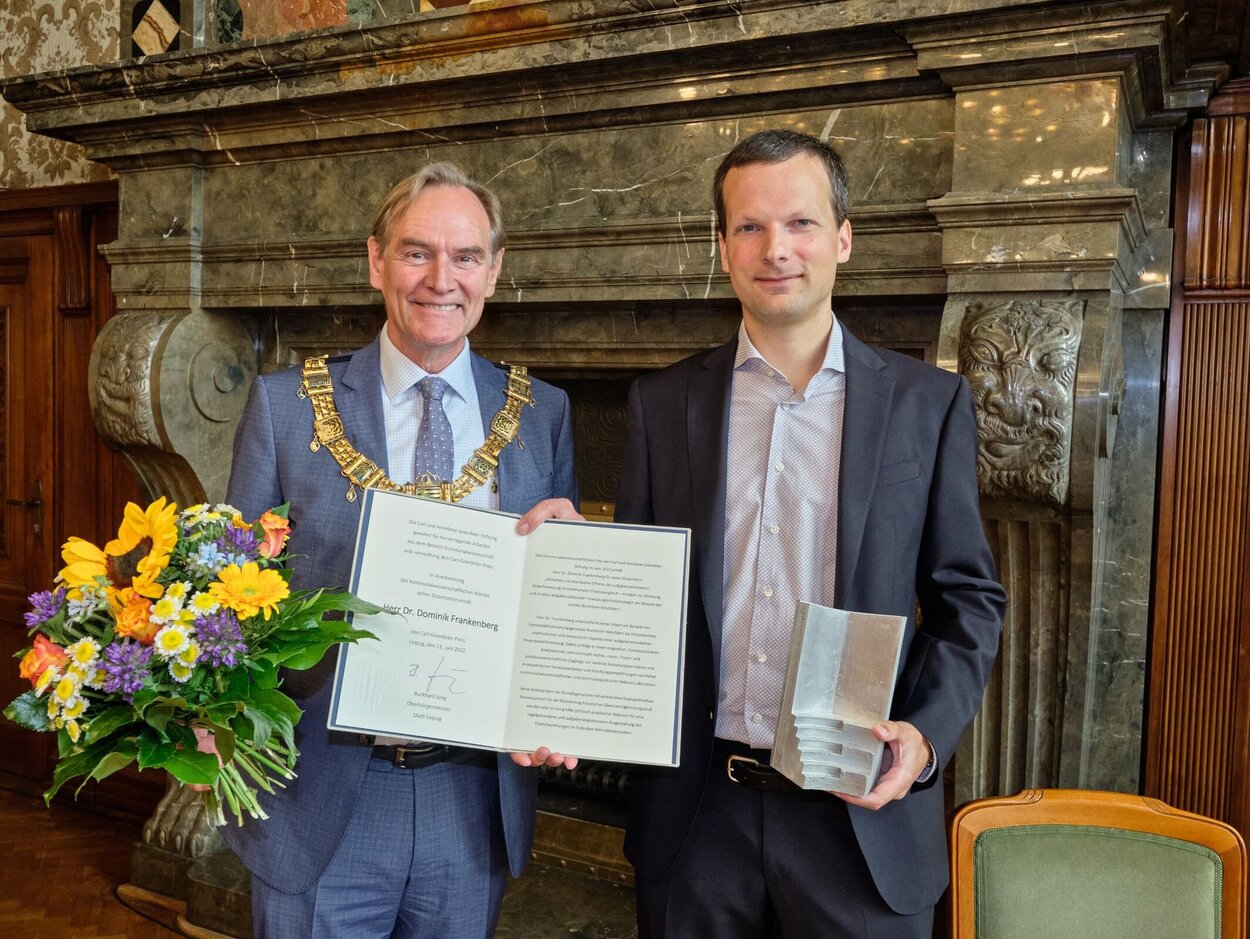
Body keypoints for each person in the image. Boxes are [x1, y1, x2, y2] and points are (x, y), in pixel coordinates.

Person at [615, 129, 1008, 937]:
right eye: (750, 227)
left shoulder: (924, 405)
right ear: (723, 248)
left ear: (843, 237)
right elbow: (632, 598)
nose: (776, 248)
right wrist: (563, 550)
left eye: (799, 223)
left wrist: (926, 737)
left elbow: (969, 600)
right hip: (697, 816)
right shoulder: (659, 406)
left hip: (857, 816)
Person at [224, 161, 581, 938]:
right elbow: (226, 594)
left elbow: (546, 609)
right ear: (376, 260)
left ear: (493, 270)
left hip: (470, 799)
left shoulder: (542, 414)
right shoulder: (287, 407)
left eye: (465, 256)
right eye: (417, 252)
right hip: (318, 795)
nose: (440, 279)